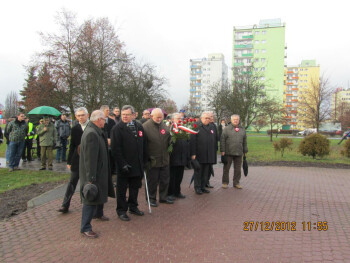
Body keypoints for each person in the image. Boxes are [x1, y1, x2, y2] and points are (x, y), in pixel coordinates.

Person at [79, 110, 115, 238]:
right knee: (90, 196)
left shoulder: (96, 131)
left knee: (100, 193)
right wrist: (91, 177)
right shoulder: (91, 134)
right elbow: (90, 158)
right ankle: (85, 227)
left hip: (99, 171)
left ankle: (98, 213)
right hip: (94, 173)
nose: (105, 122)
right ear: (98, 120)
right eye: (104, 119)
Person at [111, 105, 147, 221]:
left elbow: (143, 145)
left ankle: (133, 206)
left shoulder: (139, 127)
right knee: (121, 189)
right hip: (124, 166)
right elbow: (116, 149)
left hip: (137, 164)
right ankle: (121, 210)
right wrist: (122, 164)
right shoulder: (117, 129)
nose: (125, 117)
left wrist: (144, 160)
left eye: (127, 114)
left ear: (133, 115)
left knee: (135, 187)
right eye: (123, 115)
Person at [58, 107, 89, 213]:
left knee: (88, 183)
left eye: (83, 115)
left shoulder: (92, 126)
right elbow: (72, 146)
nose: (81, 117)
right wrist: (69, 161)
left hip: (89, 160)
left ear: (87, 115)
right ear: (76, 117)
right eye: (79, 115)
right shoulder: (75, 128)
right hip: (77, 159)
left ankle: (88, 205)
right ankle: (65, 205)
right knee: (72, 182)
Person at [143, 108, 173, 206]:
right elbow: (143, 144)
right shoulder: (145, 127)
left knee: (165, 180)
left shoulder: (164, 125)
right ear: (152, 116)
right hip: (152, 159)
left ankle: (163, 197)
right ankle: (151, 199)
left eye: (161, 117)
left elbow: (168, 137)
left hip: (164, 158)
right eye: (158, 117)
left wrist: (172, 141)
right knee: (152, 181)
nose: (160, 119)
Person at [190, 111, 217, 195]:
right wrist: (193, 153)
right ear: (201, 118)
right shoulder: (196, 126)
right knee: (198, 171)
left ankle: (202, 187)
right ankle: (197, 187)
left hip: (209, 154)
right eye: (206, 118)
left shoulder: (212, 127)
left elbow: (215, 140)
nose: (207, 119)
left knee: (206, 172)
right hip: (199, 154)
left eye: (209, 118)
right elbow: (192, 141)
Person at [220, 114, 248, 189]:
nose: (235, 121)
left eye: (237, 119)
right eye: (234, 119)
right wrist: (222, 150)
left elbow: (245, 140)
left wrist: (245, 150)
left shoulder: (242, 129)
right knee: (226, 168)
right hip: (228, 152)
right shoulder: (226, 129)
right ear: (231, 120)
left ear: (239, 120)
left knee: (238, 169)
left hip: (239, 152)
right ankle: (225, 182)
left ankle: (236, 183)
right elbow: (222, 140)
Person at [168, 113, 190, 199]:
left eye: (181, 118)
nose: (180, 120)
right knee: (172, 176)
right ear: (173, 119)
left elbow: (188, 141)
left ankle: (177, 191)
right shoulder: (170, 129)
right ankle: (170, 193)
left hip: (182, 156)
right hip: (174, 157)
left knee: (180, 176)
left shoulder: (183, 129)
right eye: (178, 118)